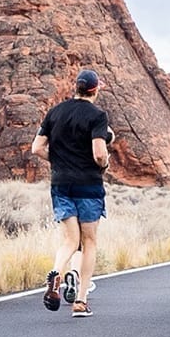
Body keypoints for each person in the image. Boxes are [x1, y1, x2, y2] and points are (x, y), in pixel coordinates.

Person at [31, 68, 111, 318]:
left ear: (75, 87)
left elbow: (37, 148)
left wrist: (58, 161)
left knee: (69, 240)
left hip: (61, 184)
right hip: (88, 185)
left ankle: (57, 272)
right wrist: (104, 164)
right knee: (89, 243)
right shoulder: (98, 116)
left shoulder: (55, 112)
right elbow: (99, 153)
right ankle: (81, 301)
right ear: (95, 90)